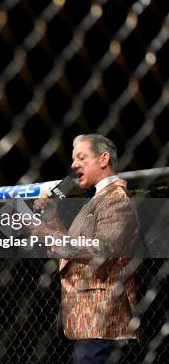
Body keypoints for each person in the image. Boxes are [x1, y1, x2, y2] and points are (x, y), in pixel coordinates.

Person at [33, 134, 139, 364]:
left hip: (101, 317)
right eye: (73, 159)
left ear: (103, 159)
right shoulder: (98, 200)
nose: (73, 165)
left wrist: (46, 233)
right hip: (86, 317)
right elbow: (74, 247)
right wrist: (51, 217)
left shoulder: (116, 199)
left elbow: (102, 249)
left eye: (81, 157)